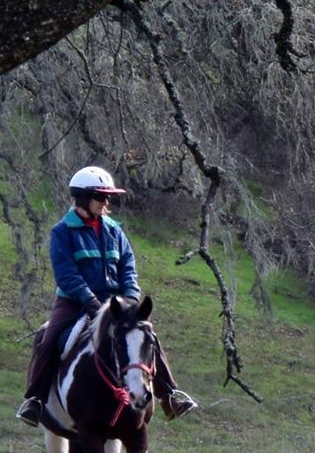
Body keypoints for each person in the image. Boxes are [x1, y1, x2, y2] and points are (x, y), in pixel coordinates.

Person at [16, 166, 198, 425]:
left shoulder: (115, 230)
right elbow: (67, 274)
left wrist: (131, 301)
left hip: (117, 304)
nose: (106, 202)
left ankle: (170, 395)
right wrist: (90, 301)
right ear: (83, 198)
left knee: (147, 337)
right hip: (75, 303)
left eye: (108, 197)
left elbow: (128, 267)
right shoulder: (62, 232)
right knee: (49, 339)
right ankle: (34, 401)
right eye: (101, 197)